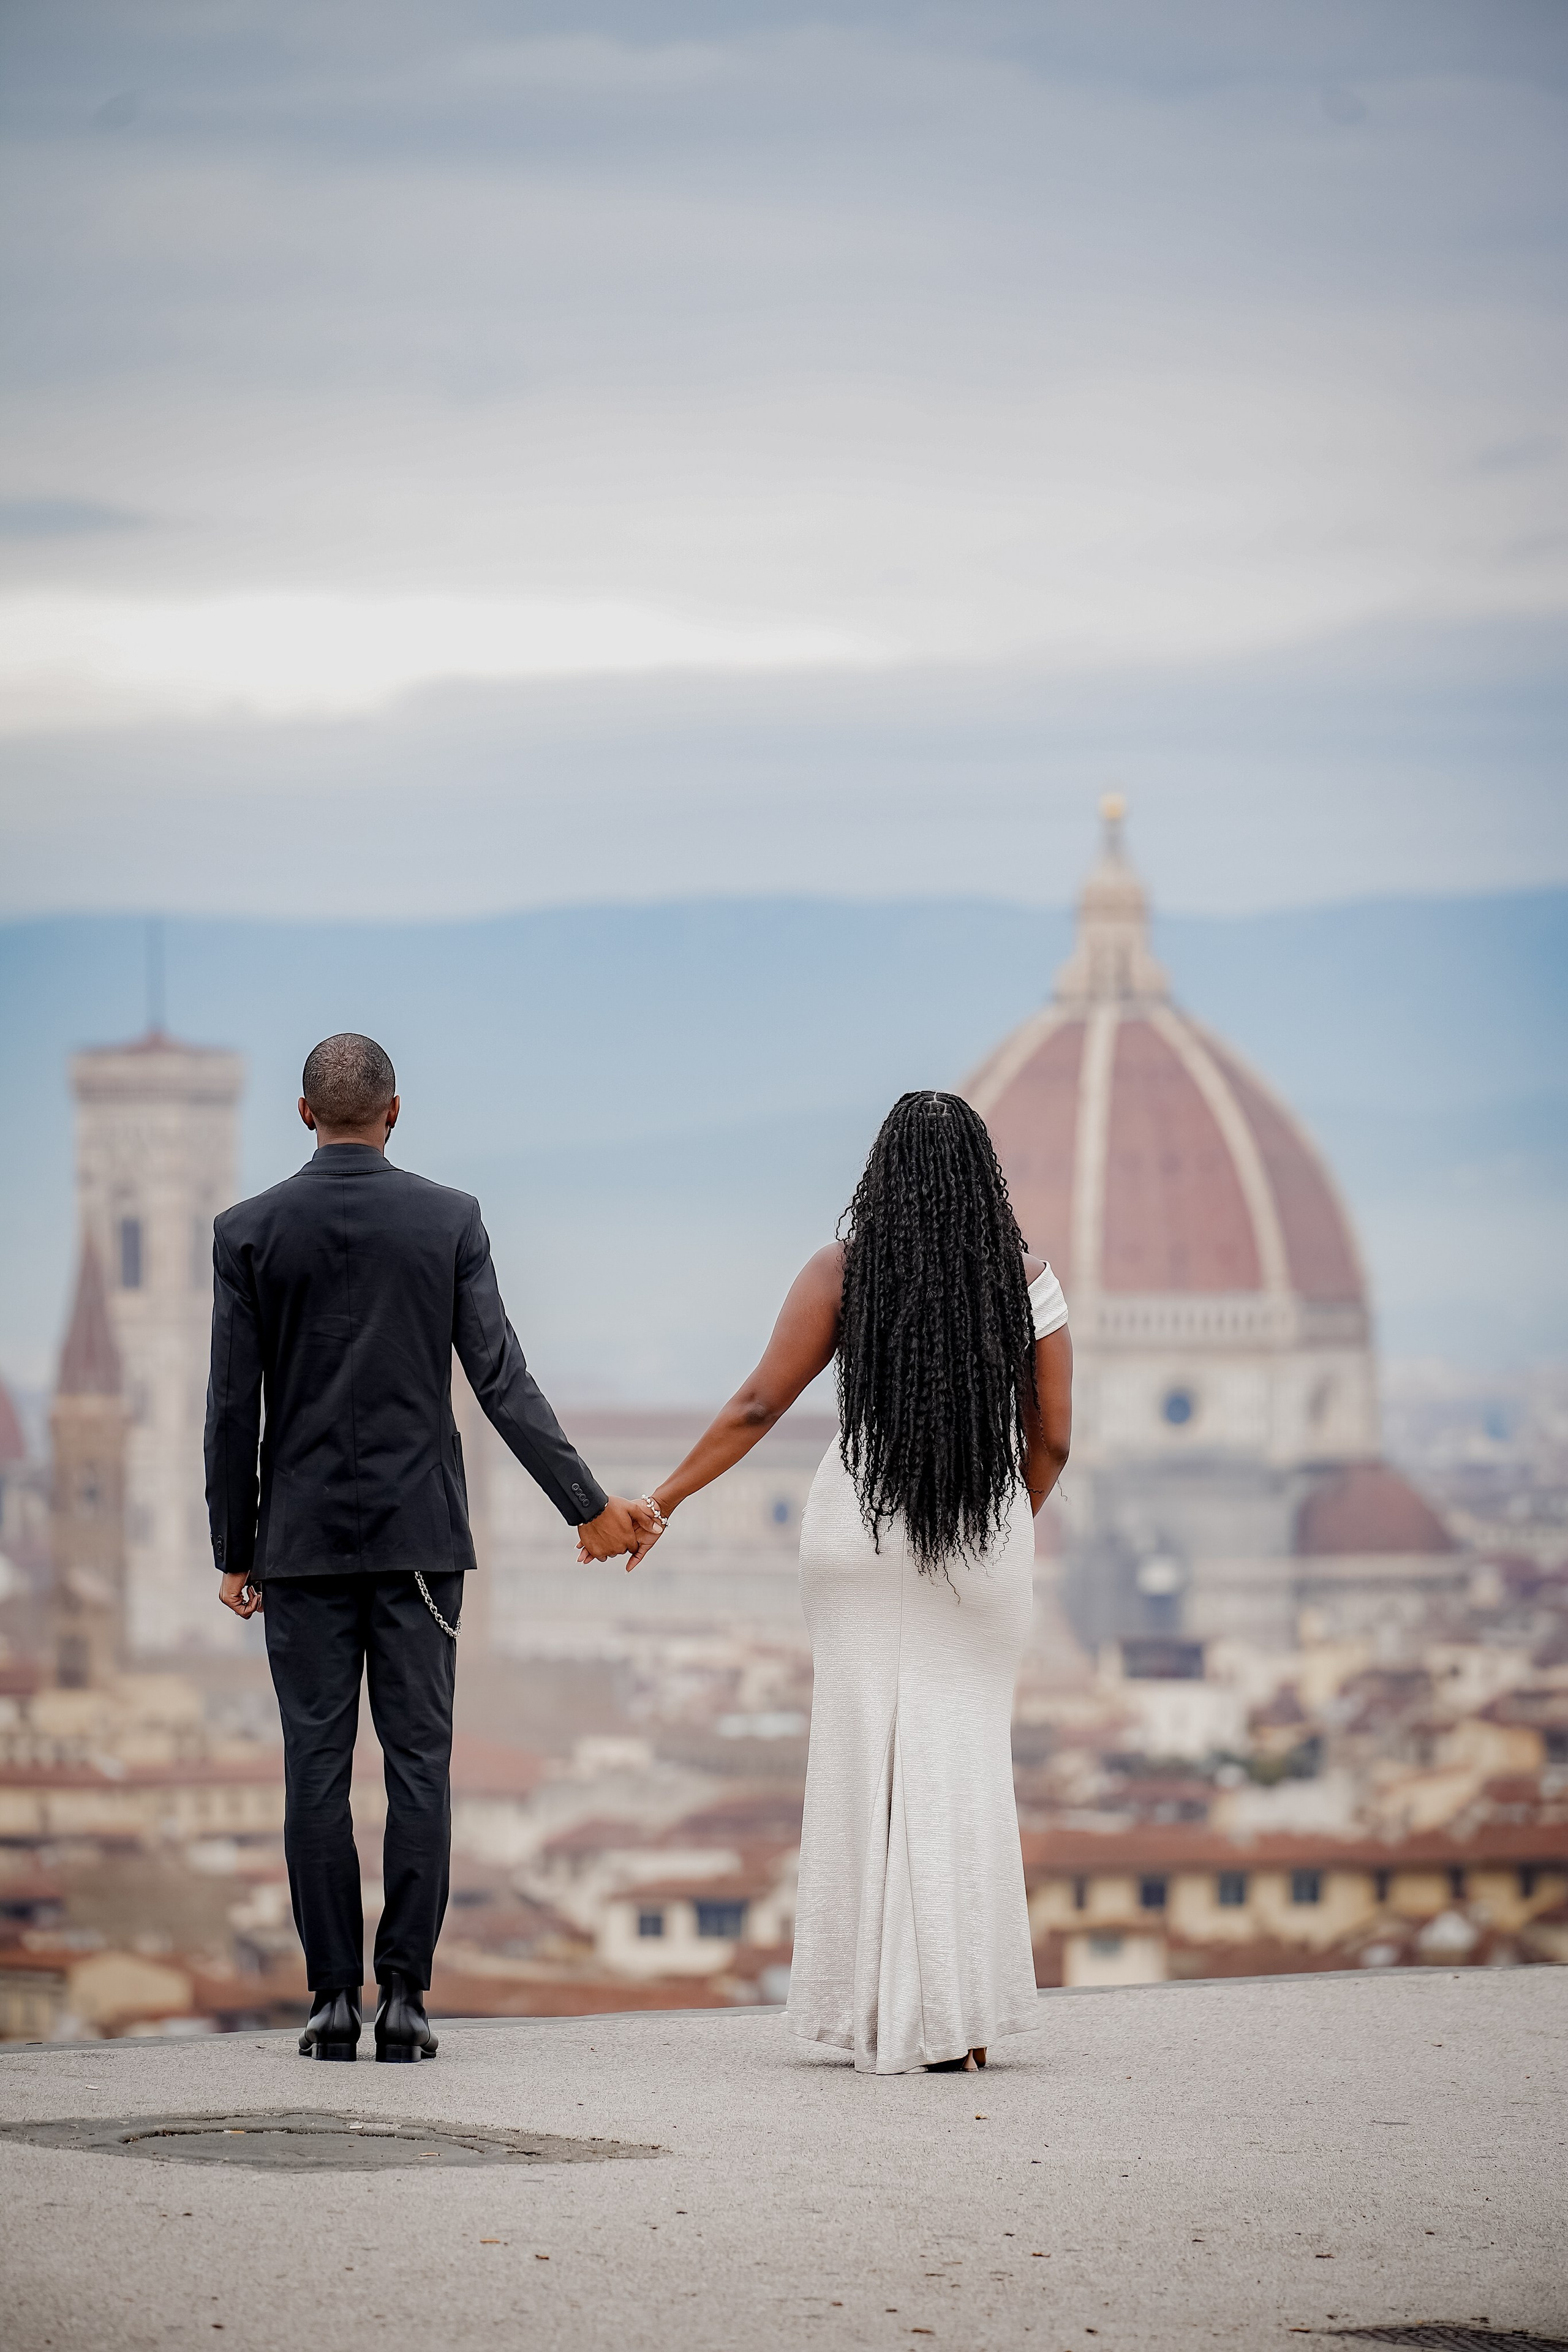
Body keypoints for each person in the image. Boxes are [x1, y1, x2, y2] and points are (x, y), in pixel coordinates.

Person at [205, 1033, 652, 2063]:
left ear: (304, 1113)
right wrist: (585, 1507)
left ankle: (327, 2005)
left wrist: (236, 1544)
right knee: (420, 1766)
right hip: (420, 1545)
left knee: (314, 1769)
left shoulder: (247, 1233)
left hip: (300, 1546)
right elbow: (501, 1380)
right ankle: (403, 2002)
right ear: (395, 1114)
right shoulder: (450, 1221)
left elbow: (233, 1406)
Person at [611, 1090, 1072, 2075]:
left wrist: (664, 1500)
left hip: (857, 1531)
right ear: (982, 1179)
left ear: (881, 1176)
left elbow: (755, 1405)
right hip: (977, 1529)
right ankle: (959, 2020)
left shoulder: (841, 1271)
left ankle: (869, 2013)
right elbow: (1056, 1438)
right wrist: (998, 1522)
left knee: (865, 1762)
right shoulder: (1029, 1281)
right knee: (964, 1769)